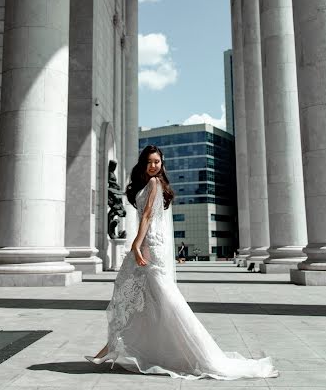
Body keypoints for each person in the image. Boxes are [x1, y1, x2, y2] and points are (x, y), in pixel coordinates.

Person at [85, 145, 278, 381]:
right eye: (149, 162)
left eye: (157, 162)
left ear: (162, 163)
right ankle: (113, 347)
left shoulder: (155, 184)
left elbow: (146, 215)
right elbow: (144, 215)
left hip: (149, 246)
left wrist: (136, 244)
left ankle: (198, 354)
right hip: (148, 243)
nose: (154, 166)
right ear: (143, 164)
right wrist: (138, 243)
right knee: (137, 298)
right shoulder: (147, 185)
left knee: (160, 301)